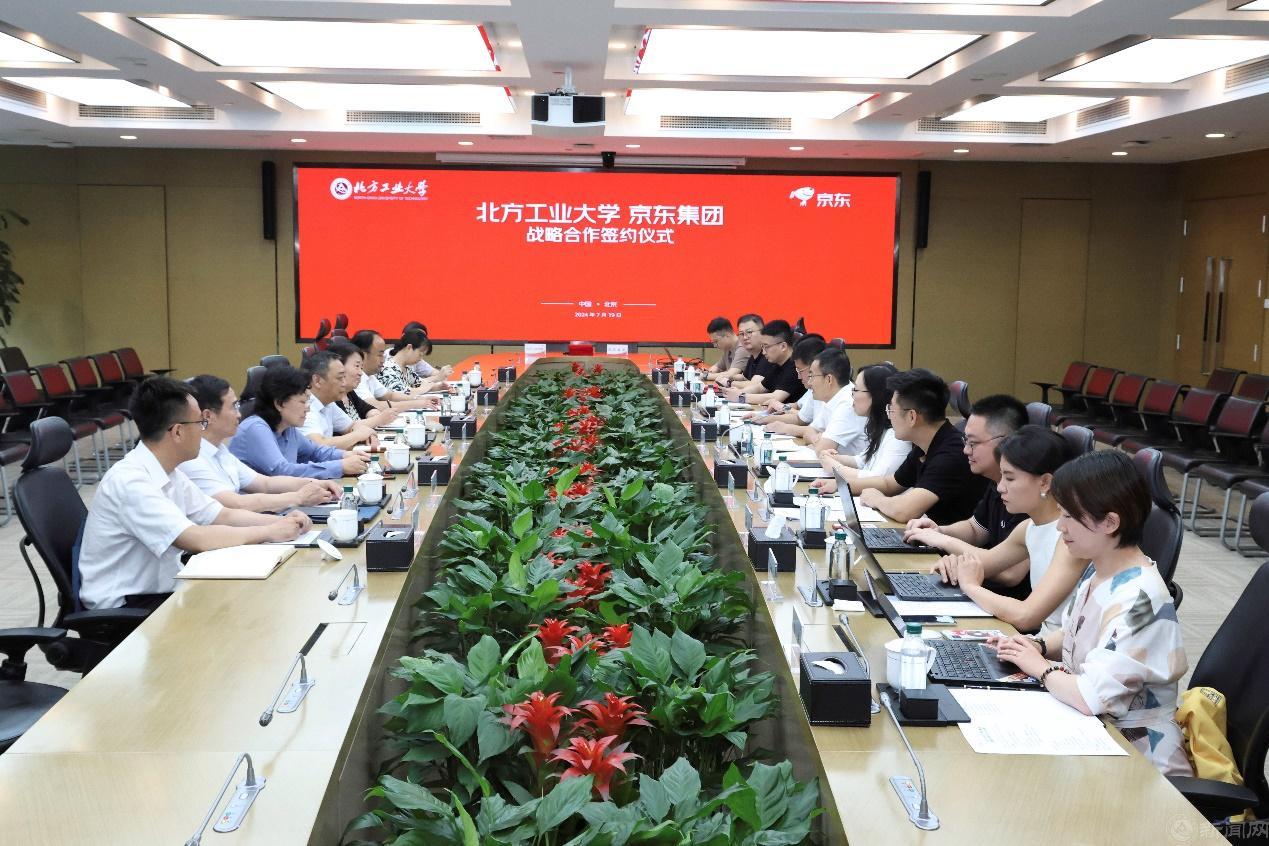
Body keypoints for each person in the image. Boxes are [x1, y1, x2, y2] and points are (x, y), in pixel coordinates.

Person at [990, 450, 1192, 777]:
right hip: (1095, 735)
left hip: (1139, 762)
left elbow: (1090, 697)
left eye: (1070, 516)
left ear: (1110, 522)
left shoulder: (1141, 599)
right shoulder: (1102, 573)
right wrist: (1036, 646)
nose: (1060, 526)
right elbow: (1075, 631)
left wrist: (1038, 666)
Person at [78, 377, 309, 610]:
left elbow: (221, 515)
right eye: (200, 423)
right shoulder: (131, 481)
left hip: (160, 588)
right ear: (178, 432)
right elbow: (196, 539)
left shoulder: (170, 472)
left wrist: (282, 522)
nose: (202, 430)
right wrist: (269, 531)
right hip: (125, 605)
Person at [930, 425, 1088, 633]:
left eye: (1010, 478)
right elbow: (984, 563)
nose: (1000, 487)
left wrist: (971, 586)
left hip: (1052, 648)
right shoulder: (1028, 527)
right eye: (1002, 476)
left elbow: (1026, 616)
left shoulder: (1071, 538)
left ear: (1045, 482)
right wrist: (956, 563)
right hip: (1036, 643)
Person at [902, 395, 1030, 574]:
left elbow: (1009, 573)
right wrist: (938, 531)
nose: (966, 450)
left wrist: (946, 543)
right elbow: (976, 529)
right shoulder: (996, 480)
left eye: (973, 443)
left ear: (1006, 442)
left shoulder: (1028, 491)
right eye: (966, 441)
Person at [182, 374, 342, 511]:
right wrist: (298, 497)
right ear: (208, 416)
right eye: (233, 407)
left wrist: (316, 483)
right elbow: (236, 504)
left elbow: (265, 483)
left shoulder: (220, 451)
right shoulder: (191, 459)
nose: (239, 414)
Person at [855, 368, 986, 523]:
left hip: (952, 537)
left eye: (891, 409)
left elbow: (904, 511)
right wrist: (840, 485)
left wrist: (877, 499)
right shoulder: (925, 445)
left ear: (912, 416)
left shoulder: (952, 453)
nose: (889, 416)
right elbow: (889, 484)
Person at [230, 364, 369, 479]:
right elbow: (282, 471)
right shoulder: (256, 428)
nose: (308, 408)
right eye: (303, 402)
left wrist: (346, 455)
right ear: (279, 403)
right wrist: (340, 466)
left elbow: (315, 451)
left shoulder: (287, 428)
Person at [813, 362, 911, 492]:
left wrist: (836, 467)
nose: (852, 395)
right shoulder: (880, 427)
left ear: (876, 395)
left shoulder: (897, 436)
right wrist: (834, 458)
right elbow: (863, 460)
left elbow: (878, 480)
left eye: (856, 390)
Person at [299, 351, 378, 450]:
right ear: (317, 381)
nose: (344, 383)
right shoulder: (304, 407)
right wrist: (359, 435)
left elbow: (351, 426)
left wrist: (368, 434)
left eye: (345, 377)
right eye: (340, 378)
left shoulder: (328, 403)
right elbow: (318, 445)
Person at [751, 335, 826, 438]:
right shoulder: (815, 388)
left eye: (800, 371)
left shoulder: (840, 397)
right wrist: (764, 418)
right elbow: (801, 417)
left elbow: (820, 434)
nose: (799, 376)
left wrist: (785, 426)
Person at [351, 329, 439, 411]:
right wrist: (416, 403)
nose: (383, 360)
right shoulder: (356, 377)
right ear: (363, 355)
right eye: (380, 355)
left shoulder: (369, 376)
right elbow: (375, 405)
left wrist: (419, 399)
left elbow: (390, 395)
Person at [721, 319, 804, 405]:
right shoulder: (778, 364)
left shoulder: (795, 365)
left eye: (766, 347)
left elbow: (776, 397)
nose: (763, 352)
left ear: (783, 346)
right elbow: (760, 387)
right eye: (762, 347)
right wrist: (739, 392)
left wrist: (741, 396)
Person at [803, 347, 867, 456]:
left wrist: (820, 442)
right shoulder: (833, 398)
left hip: (849, 465)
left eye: (812, 376)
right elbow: (808, 431)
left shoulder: (848, 403)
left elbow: (822, 450)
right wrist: (817, 439)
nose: (809, 382)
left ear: (829, 379)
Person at [326, 340, 398, 428]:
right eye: (357, 366)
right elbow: (348, 428)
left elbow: (368, 408)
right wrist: (379, 419)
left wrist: (374, 415)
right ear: (338, 366)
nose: (361, 373)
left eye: (361, 367)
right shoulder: (331, 399)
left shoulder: (349, 393)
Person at [715, 314, 763, 389]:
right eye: (741, 334)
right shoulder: (753, 357)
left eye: (749, 332)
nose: (745, 337)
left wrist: (729, 382)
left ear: (762, 332)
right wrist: (728, 377)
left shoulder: (767, 356)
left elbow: (755, 385)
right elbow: (743, 377)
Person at [400, 320, 452, 390]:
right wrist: (437, 378)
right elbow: (405, 388)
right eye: (418, 337)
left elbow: (416, 383)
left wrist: (437, 384)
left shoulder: (413, 358)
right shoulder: (391, 359)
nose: (421, 341)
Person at [704, 317, 750, 383]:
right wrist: (706, 372)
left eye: (716, 341)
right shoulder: (727, 348)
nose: (715, 345)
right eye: (713, 342)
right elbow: (716, 368)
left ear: (727, 335)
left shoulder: (743, 347)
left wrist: (705, 376)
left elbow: (730, 374)